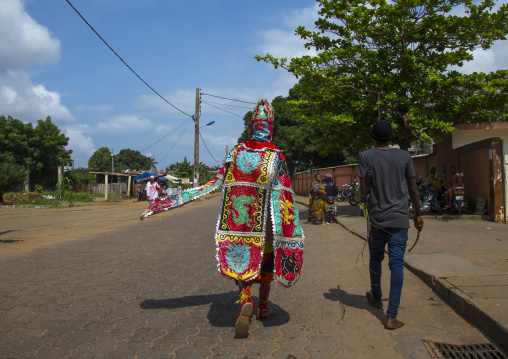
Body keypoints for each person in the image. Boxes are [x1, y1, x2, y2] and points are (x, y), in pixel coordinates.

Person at [139, 99, 304, 338]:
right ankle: (265, 308)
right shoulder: (275, 155)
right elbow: (284, 196)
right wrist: (289, 230)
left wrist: (170, 201)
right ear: (270, 127)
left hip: (240, 224)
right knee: (265, 264)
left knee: (245, 263)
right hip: (266, 226)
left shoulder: (236, 152)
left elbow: (214, 182)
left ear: (251, 126)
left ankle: (246, 298)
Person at [358, 120, 424, 330]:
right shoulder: (405, 156)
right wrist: (418, 214)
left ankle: (376, 297)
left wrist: (365, 196)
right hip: (399, 219)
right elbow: (413, 188)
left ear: (372, 137)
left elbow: (363, 191)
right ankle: (391, 316)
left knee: (375, 258)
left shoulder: (365, 156)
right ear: (391, 137)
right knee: (396, 265)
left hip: (377, 220)